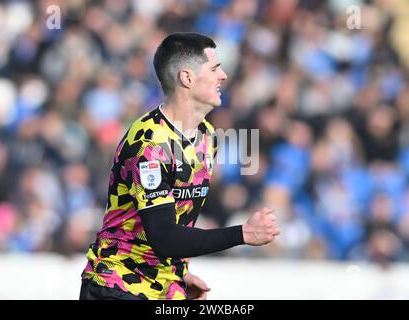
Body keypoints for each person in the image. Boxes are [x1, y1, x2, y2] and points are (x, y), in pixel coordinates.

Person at [79, 32, 280, 300]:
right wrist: (243, 233)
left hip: (163, 287)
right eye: (215, 68)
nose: (223, 76)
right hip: (118, 286)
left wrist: (177, 275)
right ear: (187, 78)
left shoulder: (207, 137)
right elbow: (163, 235)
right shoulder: (149, 143)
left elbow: (173, 221)